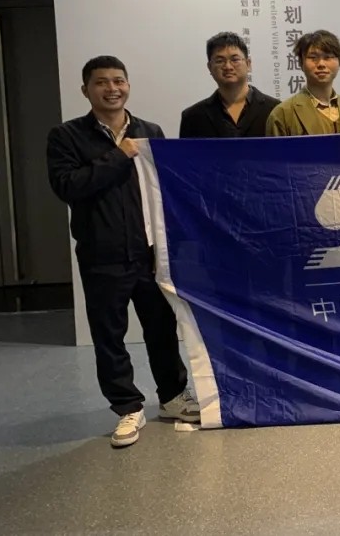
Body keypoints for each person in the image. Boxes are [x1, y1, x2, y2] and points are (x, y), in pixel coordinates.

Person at [46, 56, 198, 448]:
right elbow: (68, 186)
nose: (111, 89)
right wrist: (119, 154)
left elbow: (166, 188)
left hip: (149, 253)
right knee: (109, 335)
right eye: (101, 82)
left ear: (128, 85)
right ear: (86, 90)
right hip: (102, 254)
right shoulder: (66, 136)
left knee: (162, 330)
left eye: (118, 81)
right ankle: (128, 407)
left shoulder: (150, 131)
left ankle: (172, 397)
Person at [179, 32, 280, 138]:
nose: (228, 67)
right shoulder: (192, 117)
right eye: (220, 61)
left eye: (235, 59)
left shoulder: (275, 109)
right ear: (209, 67)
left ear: (248, 64)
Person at [266, 30, 340, 136]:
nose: (321, 64)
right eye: (313, 58)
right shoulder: (282, 113)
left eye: (328, 57)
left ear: (339, 62)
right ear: (301, 63)